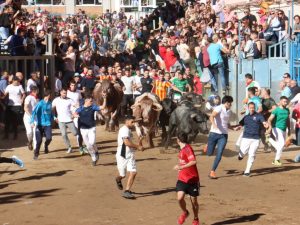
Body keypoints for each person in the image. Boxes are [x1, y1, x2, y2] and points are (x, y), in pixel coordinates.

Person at [235, 102, 268, 177]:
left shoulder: (259, 116)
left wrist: (265, 124)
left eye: (253, 107)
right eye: (250, 108)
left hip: (256, 138)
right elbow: (240, 124)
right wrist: (238, 127)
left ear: (255, 108)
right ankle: (241, 156)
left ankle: (247, 171)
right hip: (246, 138)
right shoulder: (246, 117)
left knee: (252, 154)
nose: (252, 109)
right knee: (242, 152)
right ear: (248, 108)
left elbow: (263, 122)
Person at [115, 115, 144, 199]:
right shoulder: (124, 130)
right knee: (122, 175)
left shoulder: (128, 130)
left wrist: (140, 141)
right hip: (123, 154)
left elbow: (131, 144)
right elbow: (126, 143)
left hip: (130, 153)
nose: (133, 123)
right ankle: (118, 179)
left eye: (134, 122)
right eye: (132, 122)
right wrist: (138, 147)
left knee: (133, 172)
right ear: (126, 121)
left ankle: (127, 191)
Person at [174, 132, 200, 225]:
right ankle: (185, 212)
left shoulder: (187, 149)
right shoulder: (181, 149)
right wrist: (180, 168)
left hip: (192, 179)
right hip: (182, 179)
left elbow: (193, 161)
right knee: (180, 198)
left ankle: (196, 219)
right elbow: (183, 161)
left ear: (178, 140)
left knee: (194, 202)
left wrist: (181, 167)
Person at [207, 95, 235, 179]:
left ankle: (212, 171)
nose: (231, 104)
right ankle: (208, 146)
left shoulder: (229, 111)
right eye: (230, 103)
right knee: (209, 153)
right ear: (227, 102)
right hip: (214, 134)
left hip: (223, 135)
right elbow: (211, 116)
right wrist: (214, 125)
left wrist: (233, 128)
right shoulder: (219, 108)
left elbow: (226, 124)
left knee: (219, 154)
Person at [75, 95, 105, 166]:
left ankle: (95, 153)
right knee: (88, 146)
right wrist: (75, 115)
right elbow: (74, 113)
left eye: (92, 101)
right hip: (83, 129)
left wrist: (105, 98)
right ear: (86, 101)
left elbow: (103, 107)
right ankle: (94, 158)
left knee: (91, 143)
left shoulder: (93, 107)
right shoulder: (80, 108)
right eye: (91, 101)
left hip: (92, 128)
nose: (92, 102)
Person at [52, 88, 78, 154]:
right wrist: (54, 117)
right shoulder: (56, 100)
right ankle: (69, 147)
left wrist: (74, 114)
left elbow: (75, 107)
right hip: (60, 120)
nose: (65, 94)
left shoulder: (70, 100)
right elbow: (51, 109)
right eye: (63, 93)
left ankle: (81, 136)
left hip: (69, 119)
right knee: (64, 135)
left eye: (65, 93)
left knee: (75, 133)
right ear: (60, 93)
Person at [267, 96, 290, 166]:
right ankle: (277, 160)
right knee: (282, 143)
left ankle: (269, 139)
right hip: (276, 128)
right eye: (284, 101)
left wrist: (289, 129)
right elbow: (269, 119)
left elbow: (288, 120)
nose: (285, 103)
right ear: (280, 102)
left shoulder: (287, 110)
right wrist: (270, 128)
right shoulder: (276, 110)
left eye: (286, 101)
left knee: (280, 146)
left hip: (283, 129)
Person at [30, 90, 53, 160]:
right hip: (40, 124)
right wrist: (32, 121)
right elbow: (34, 112)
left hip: (48, 124)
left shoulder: (50, 103)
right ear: (48, 95)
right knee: (39, 141)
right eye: (50, 95)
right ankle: (36, 154)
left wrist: (54, 118)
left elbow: (50, 113)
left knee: (49, 138)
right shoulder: (40, 103)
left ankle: (46, 145)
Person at [23, 86, 39, 150]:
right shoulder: (28, 97)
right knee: (29, 132)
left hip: (35, 117)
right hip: (28, 117)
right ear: (35, 91)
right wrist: (30, 116)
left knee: (35, 133)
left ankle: (35, 150)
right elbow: (25, 107)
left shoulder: (37, 98)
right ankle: (30, 142)